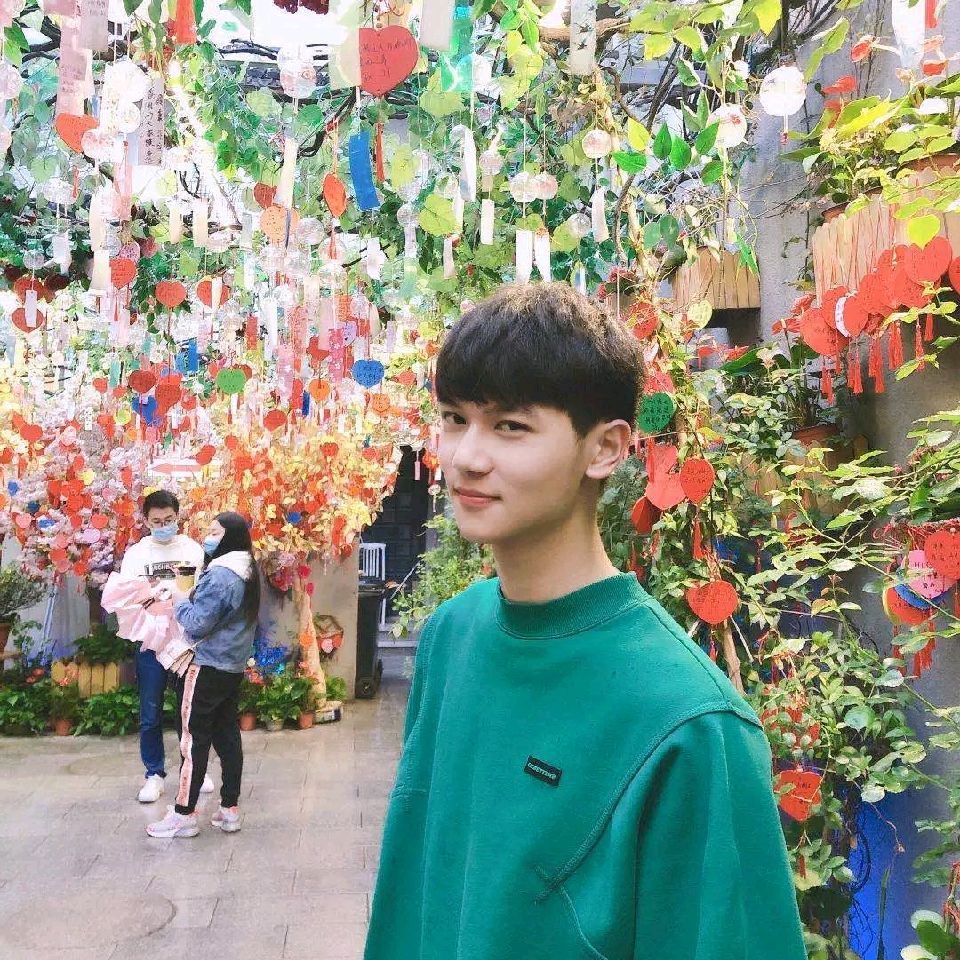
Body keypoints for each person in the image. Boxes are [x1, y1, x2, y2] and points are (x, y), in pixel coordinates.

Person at [364, 284, 808, 960]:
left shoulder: (690, 723)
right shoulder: (451, 634)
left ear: (605, 448)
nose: (465, 457)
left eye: (510, 426)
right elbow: (419, 882)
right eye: (454, 418)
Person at [146, 511, 260, 839]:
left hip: (207, 665)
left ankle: (184, 814)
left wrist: (180, 598)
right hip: (232, 665)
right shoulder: (248, 569)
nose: (208, 537)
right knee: (227, 736)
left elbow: (197, 623)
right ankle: (230, 809)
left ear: (230, 537)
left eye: (214, 532)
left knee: (193, 739)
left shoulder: (222, 574)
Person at [118, 489, 210, 804]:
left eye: (169, 520)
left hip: (185, 641)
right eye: (156, 521)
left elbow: (201, 590)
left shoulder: (192, 549)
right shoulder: (136, 554)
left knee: (189, 709)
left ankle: (194, 768)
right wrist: (154, 596)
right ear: (145, 520)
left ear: (178, 517)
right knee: (150, 710)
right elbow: (128, 595)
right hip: (150, 641)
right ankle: (154, 774)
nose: (163, 526)